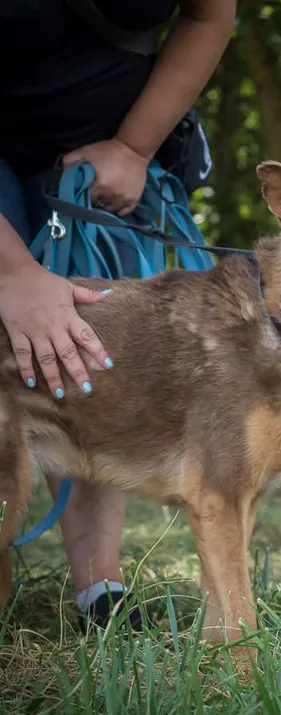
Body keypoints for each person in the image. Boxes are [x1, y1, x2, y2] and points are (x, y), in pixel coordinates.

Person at [0, 0, 237, 627]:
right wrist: (14, 272)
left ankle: (99, 592)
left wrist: (134, 147)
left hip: (108, 148)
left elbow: (209, 16)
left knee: (90, 353)